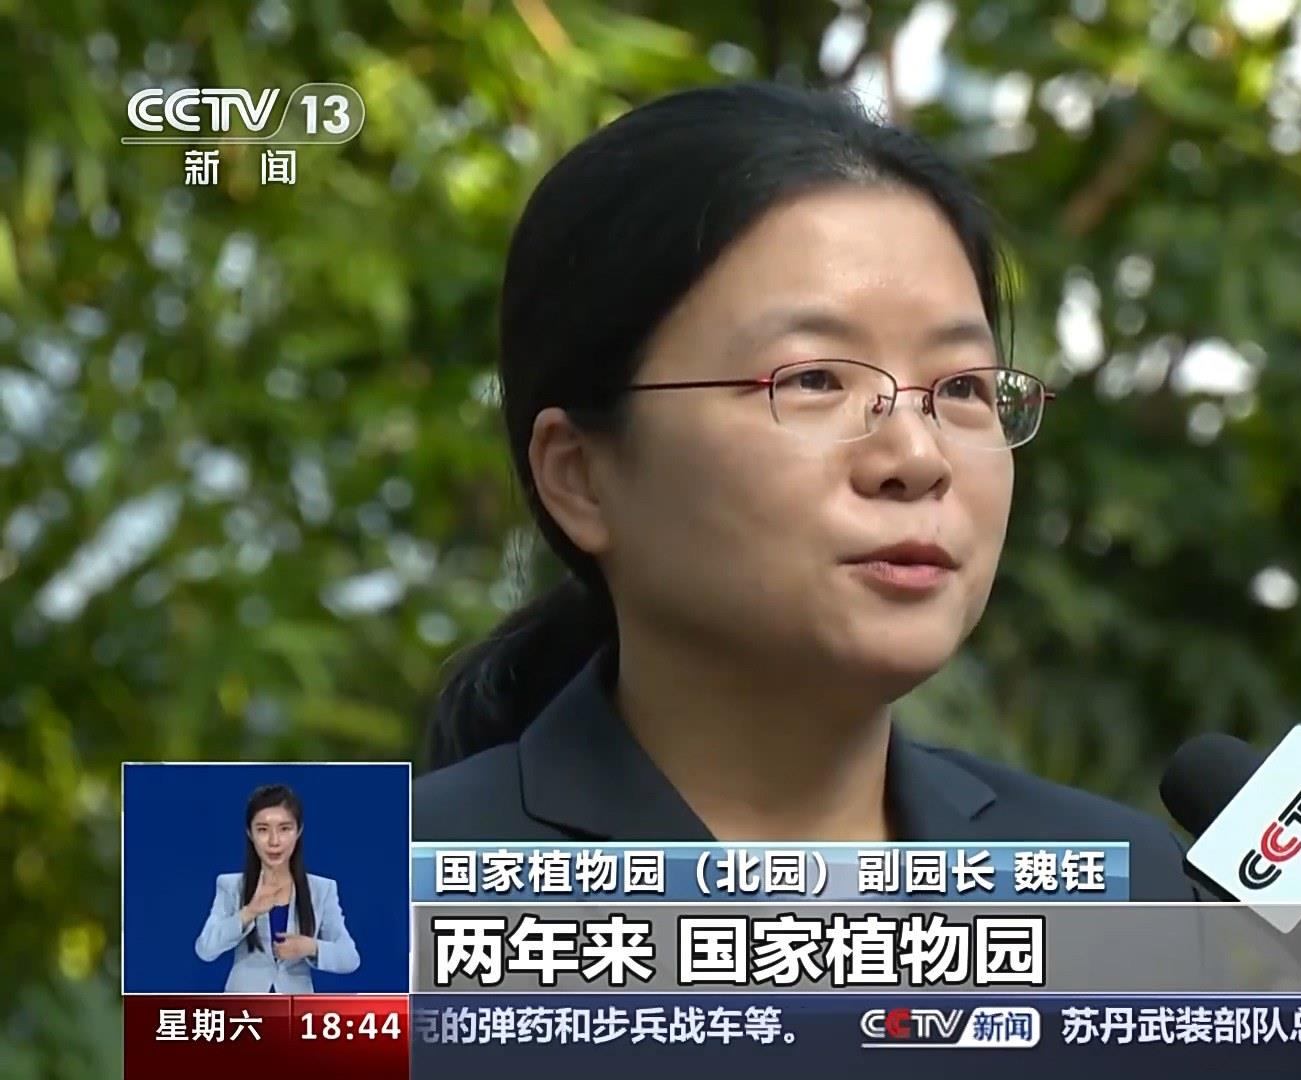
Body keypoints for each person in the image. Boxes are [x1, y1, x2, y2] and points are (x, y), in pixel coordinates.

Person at [411, 80, 1199, 903]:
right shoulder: (387, 889)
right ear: (580, 476)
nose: (917, 456)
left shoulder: (1115, 885)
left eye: (963, 387)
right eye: (815, 378)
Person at [194, 784, 361, 992]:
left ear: (299, 831)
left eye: (284, 829)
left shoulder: (322, 889)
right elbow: (205, 949)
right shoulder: (231, 886)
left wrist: (310, 947)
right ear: (249, 833)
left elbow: (350, 958)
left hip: (295, 1008)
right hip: (245, 1008)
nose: (274, 841)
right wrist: (249, 912)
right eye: (263, 829)